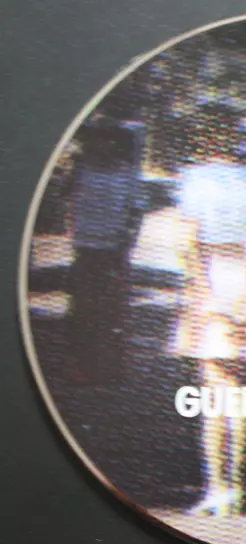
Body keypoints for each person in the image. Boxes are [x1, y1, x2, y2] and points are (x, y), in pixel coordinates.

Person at [170, 105, 246, 517]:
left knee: (213, 388)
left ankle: (216, 487)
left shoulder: (193, 178)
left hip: (211, 276)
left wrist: (201, 291)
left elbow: (188, 244)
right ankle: (237, 488)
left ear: (203, 137)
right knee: (239, 387)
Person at [66, 119, 147, 384]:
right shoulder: (81, 171)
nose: (104, 145)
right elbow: (66, 201)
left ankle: (113, 367)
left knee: (113, 311)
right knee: (82, 311)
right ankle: (81, 365)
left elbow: (136, 212)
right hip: (85, 250)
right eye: (98, 139)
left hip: (114, 251)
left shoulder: (128, 175)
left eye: (110, 140)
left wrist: (127, 244)